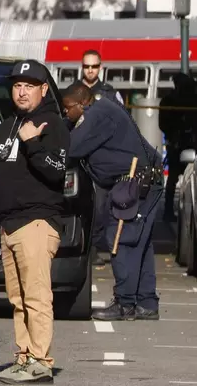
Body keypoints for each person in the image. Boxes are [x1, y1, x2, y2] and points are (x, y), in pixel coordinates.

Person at [0, 59, 70, 384]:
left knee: (36, 296)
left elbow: (56, 172)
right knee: (17, 299)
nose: (22, 91)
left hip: (37, 222)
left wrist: (32, 143)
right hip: (9, 224)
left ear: (44, 89)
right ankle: (24, 357)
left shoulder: (52, 124)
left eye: (30, 85)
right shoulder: (8, 125)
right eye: (17, 85)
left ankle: (41, 362)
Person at [62, 83, 164, 322]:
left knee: (122, 239)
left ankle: (125, 304)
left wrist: (62, 127)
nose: (66, 113)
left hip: (134, 183)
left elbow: (70, 148)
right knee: (140, 243)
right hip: (144, 180)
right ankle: (146, 303)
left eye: (68, 109)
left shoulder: (97, 115)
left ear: (82, 103)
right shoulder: (102, 109)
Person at [69, 49, 124, 266]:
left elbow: (121, 123)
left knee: (102, 207)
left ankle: (96, 246)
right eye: (86, 66)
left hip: (102, 160)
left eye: (94, 66)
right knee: (77, 204)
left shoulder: (110, 93)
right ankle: (81, 246)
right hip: (77, 158)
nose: (90, 70)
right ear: (81, 67)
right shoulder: (72, 92)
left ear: (100, 67)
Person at [159, 73, 197, 221]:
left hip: (190, 142)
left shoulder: (192, 99)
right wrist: (174, 135)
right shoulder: (169, 100)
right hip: (176, 144)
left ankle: (169, 210)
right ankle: (168, 210)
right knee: (173, 177)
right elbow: (163, 123)